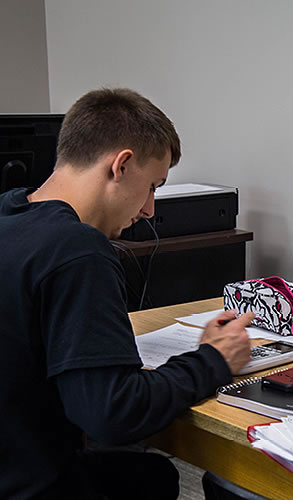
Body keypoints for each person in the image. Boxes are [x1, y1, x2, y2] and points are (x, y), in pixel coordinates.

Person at [0, 88, 254, 499]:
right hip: (35, 485)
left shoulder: (8, 214)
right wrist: (215, 359)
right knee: (153, 479)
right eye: (153, 185)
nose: (151, 209)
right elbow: (112, 414)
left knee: (146, 473)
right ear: (121, 165)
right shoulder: (77, 249)